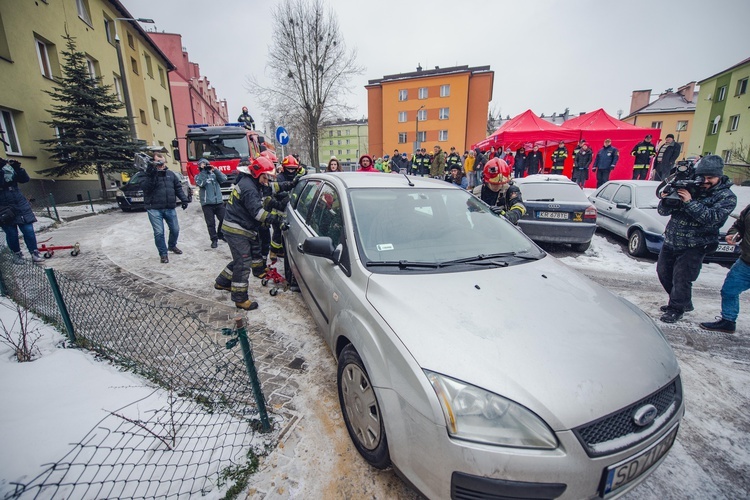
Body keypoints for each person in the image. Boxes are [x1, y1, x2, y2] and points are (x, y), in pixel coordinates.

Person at [656, 155, 737, 323]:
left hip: (695, 244)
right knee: (663, 273)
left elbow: (712, 218)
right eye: (703, 177)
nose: (705, 181)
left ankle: (676, 308)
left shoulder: (726, 196)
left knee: (682, 279)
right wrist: (666, 199)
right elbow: (663, 212)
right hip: (671, 240)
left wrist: (689, 202)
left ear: (719, 176)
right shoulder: (689, 186)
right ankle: (682, 301)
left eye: (710, 178)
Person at [214, 156, 294, 310]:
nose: (267, 179)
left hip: (242, 227)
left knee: (241, 259)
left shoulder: (253, 182)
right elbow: (258, 213)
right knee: (243, 263)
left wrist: (290, 184)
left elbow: (272, 188)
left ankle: (222, 282)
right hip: (236, 229)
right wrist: (277, 219)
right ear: (258, 174)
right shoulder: (249, 188)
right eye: (266, 176)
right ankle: (240, 298)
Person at [699, 202, 750, 334]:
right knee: (729, 290)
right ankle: (728, 321)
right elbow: (739, 225)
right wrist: (734, 233)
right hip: (746, 262)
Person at [140, 152, 189, 264]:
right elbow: (145, 188)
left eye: (162, 162)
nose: (161, 165)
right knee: (159, 232)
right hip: (154, 208)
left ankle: (172, 246)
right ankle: (163, 254)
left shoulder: (171, 174)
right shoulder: (146, 174)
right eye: (158, 162)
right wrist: (152, 174)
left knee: (175, 229)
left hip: (169, 207)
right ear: (153, 162)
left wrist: (184, 199)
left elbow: (178, 188)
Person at [0, 158, 43, 263]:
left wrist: (18, 168)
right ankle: (17, 254)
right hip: (3, 206)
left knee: (28, 230)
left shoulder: (8, 168)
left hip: (20, 203)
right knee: (12, 233)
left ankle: (34, 252)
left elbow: (24, 179)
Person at [194, 158, 227, 249]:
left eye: (207, 165)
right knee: (210, 223)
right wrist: (203, 171)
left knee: (224, 219)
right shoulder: (198, 176)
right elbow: (200, 183)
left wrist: (215, 170)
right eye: (204, 165)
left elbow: (224, 179)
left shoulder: (214, 175)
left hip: (218, 202)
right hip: (207, 203)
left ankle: (220, 234)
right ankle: (214, 239)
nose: (206, 167)